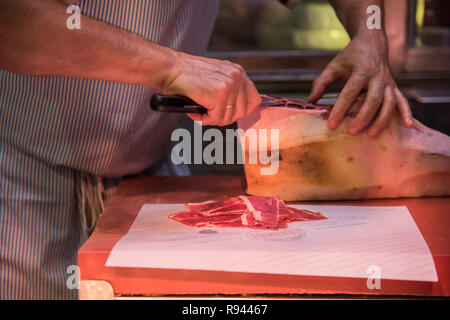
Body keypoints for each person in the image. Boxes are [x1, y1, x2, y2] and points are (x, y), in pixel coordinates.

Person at [0, 0, 412, 299]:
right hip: (25, 173)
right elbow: (13, 19)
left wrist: (369, 32)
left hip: (150, 177)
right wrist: (172, 66)